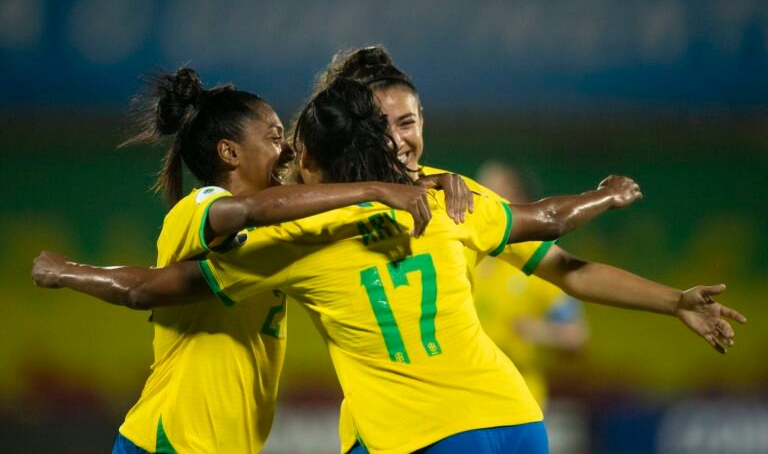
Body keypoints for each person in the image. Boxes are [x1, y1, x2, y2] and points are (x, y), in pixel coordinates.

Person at [33, 78, 743, 454]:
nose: (284, 153)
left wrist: (67, 272)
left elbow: (556, 255)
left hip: (411, 437)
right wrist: (606, 195)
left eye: (413, 120)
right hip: (515, 422)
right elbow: (552, 228)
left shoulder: (311, 235)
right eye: (275, 137)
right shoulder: (438, 200)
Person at [78, 66, 460, 454]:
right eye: (276, 138)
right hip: (173, 438)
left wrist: (421, 180)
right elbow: (245, 212)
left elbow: (318, 201)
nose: (288, 151)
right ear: (229, 152)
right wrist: (378, 188)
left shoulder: (277, 227)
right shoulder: (199, 208)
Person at [474, 161, 588, 409]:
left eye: (492, 191)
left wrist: (538, 331)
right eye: (479, 190)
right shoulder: (468, 257)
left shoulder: (538, 265)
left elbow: (576, 337)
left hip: (521, 403)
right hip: (469, 402)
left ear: (518, 199)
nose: (482, 199)